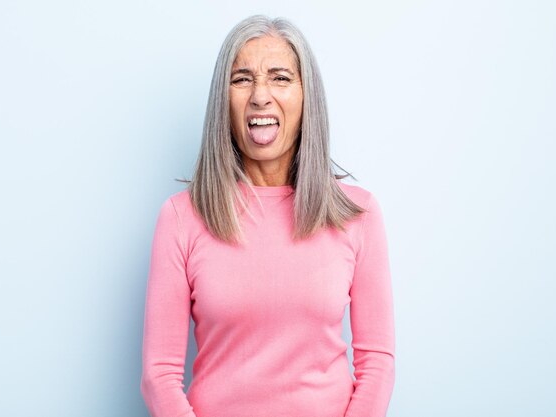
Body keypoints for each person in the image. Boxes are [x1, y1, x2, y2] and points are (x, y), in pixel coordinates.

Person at [140, 15, 395, 417]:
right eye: (242, 79)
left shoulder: (357, 214)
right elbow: (159, 375)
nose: (260, 95)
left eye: (280, 78)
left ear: (306, 96)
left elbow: (377, 364)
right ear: (222, 100)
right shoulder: (180, 218)